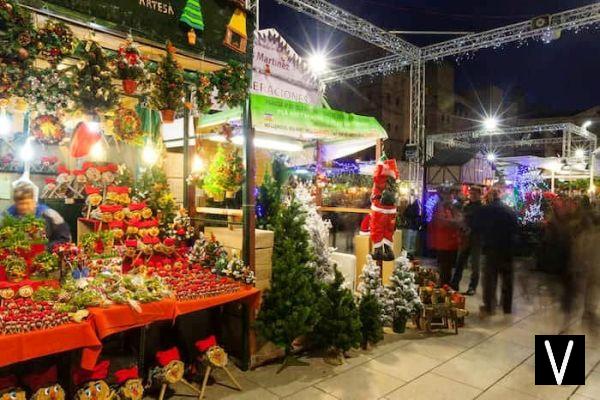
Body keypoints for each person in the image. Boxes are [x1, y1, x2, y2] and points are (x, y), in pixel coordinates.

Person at [475, 186, 518, 316]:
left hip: (491, 249)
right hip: (507, 250)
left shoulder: (485, 210)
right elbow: (516, 230)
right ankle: (507, 307)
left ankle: (490, 306)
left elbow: (477, 227)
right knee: (507, 279)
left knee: (490, 280)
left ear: (490, 197)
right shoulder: (510, 211)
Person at [5, 182, 71, 248]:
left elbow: (65, 239)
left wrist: (45, 248)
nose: (24, 207)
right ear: (15, 204)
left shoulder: (50, 215)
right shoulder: (7, 215)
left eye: (27, 203)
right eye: (21, 204)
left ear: (34, 202)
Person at [451, 186, 483, 295]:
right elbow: (461, 218)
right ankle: (454, 284)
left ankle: (472, 287)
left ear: (479, 194)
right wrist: (462, 227)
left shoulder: (482, 208)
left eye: (474, 194)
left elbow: (483, 223)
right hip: (466, 237)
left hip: (476, 239)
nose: (472, 196)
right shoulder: (467, 206)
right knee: (460, 262)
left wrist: (472, 229)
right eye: (471, 193)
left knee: (475, 265)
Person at [428, 187, 461, 286]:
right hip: (443, 243)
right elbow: (443, 222)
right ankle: (443, 288)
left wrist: (455, 222)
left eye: (452, 195)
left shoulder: (452, 208)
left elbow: (459, 221)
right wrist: (454, 222)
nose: (451, 197)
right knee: (444, 267)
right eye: (449, 195)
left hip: (451, 243)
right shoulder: (439, 207)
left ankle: (446, 287)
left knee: (448, 267)